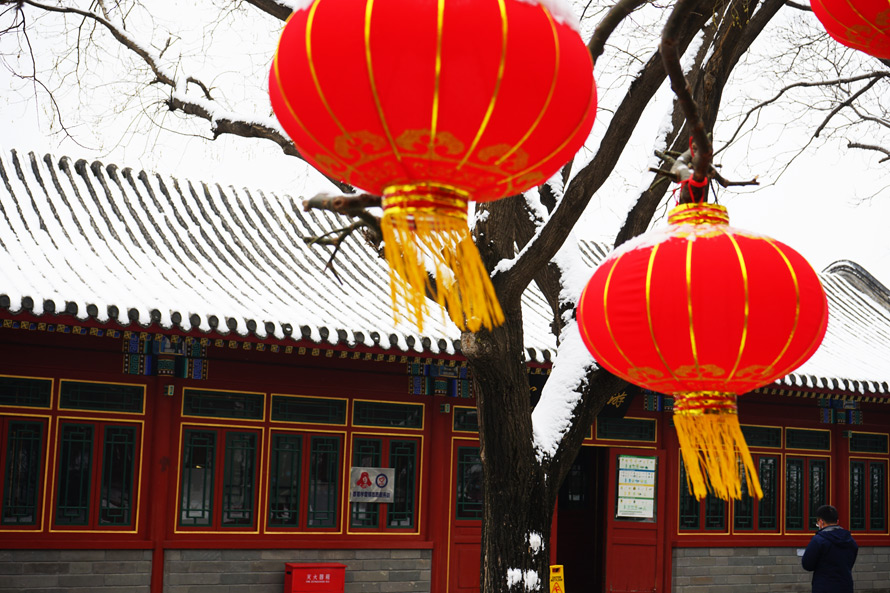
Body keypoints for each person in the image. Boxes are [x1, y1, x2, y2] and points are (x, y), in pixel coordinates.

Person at [801, 504, 858, 593]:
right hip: (845, 586)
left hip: (824, 587)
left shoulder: (819, 540)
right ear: (837, 521)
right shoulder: (850, 540)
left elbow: (807, 564)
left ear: (821, 522)